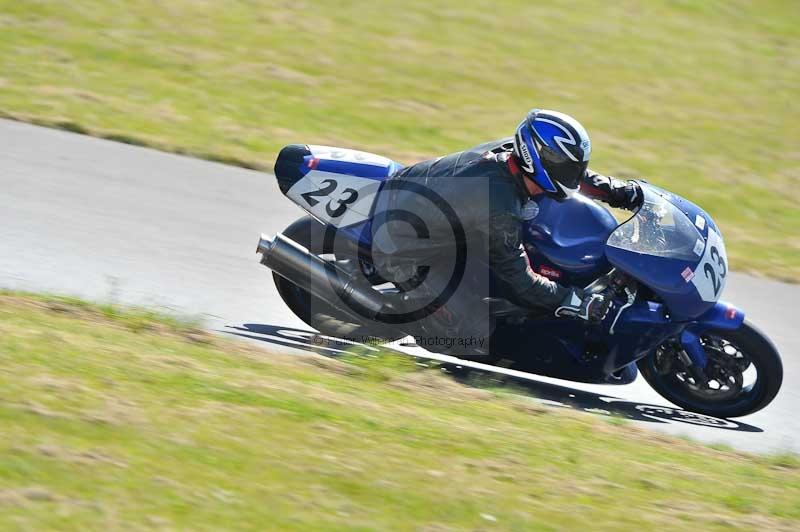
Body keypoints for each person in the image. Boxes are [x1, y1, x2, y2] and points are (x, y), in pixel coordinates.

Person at [370, 109, 641, 340]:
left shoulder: (513, 154)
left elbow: (573, 176)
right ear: (538, 158)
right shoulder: (498, 206)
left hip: (421, 202)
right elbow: (520, 280)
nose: (574, 173)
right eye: (566, 166)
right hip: (402, 246)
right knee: (472, 330)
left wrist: (619, 191)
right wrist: (574, 301)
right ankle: (396, 315)